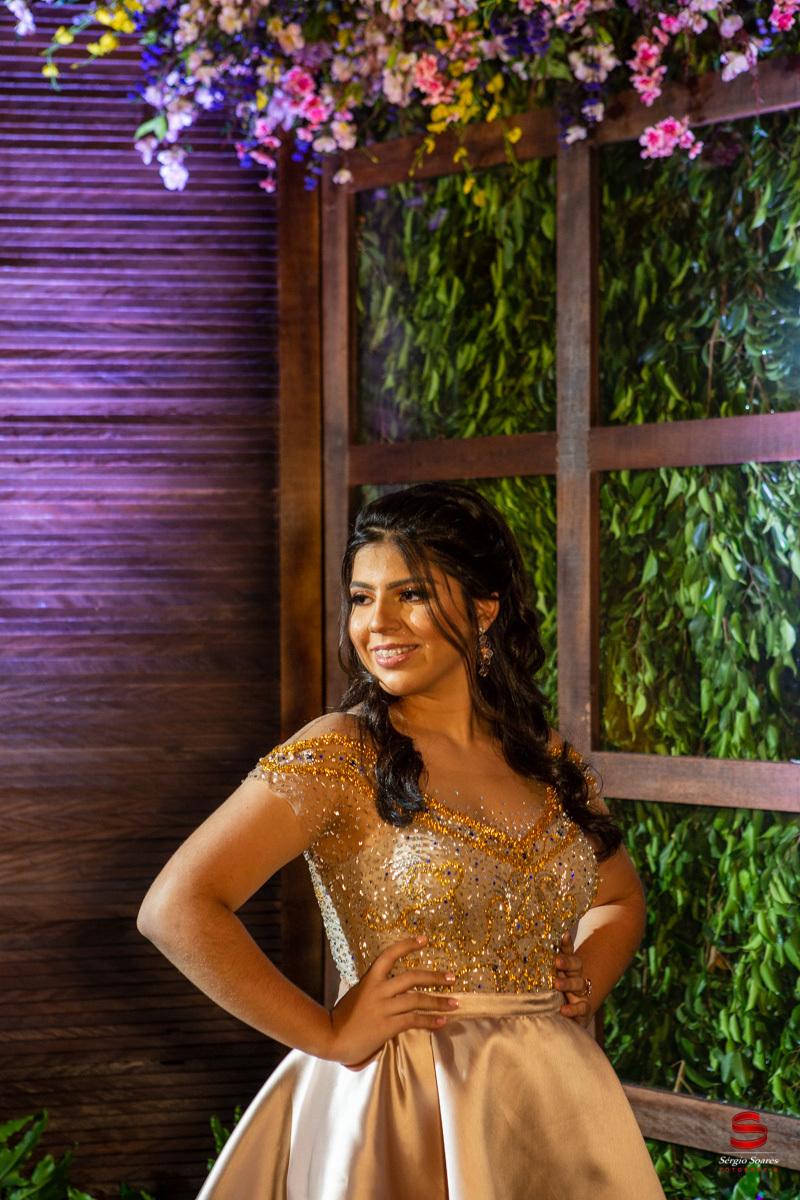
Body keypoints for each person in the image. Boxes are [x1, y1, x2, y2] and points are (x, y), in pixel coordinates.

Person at [138, 482, 667, 1200]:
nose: (377, 623)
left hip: (550, 1107)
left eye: (410, 594)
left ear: (484, 608)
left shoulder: (544, 757)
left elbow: (620, 899)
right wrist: (327, 1033)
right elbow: (175, 907)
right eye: (361, 598)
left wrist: (582, 984)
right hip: (399, 1109)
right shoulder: (339, 753)